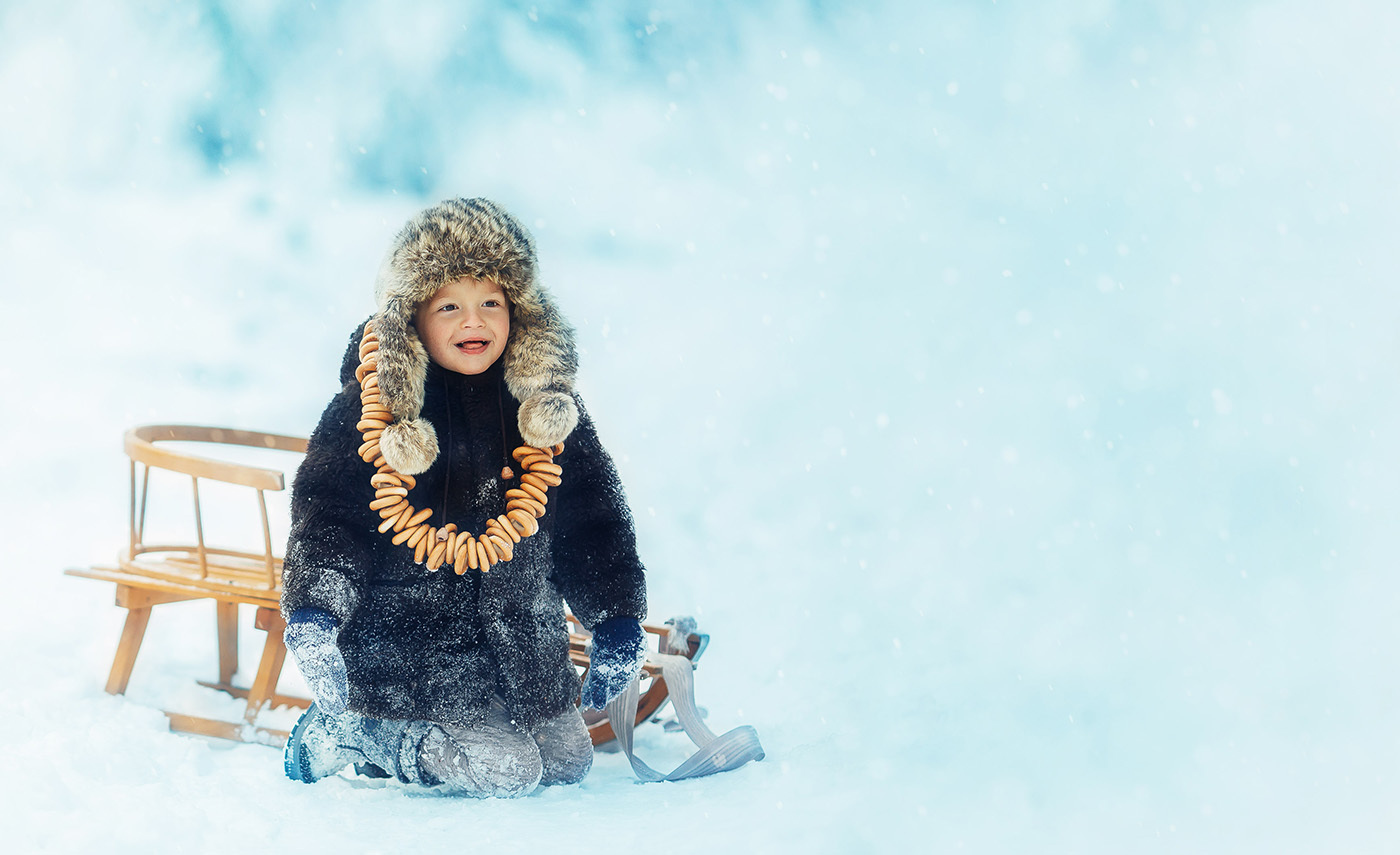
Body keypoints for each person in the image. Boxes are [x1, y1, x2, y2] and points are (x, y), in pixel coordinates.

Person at [279, 198, 649, 797]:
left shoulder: (547, 414)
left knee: (565, 764)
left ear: (519, 313)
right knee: (505, 772)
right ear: (412, 318)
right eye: (448, 305)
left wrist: (615, 617)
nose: (472, 322)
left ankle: (481, 723)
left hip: (524, 649)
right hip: (412, 652)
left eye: (490, 303)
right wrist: (315, 614)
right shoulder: (370, 411)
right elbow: (329, 516)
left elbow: (592, 518)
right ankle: (359, 729)